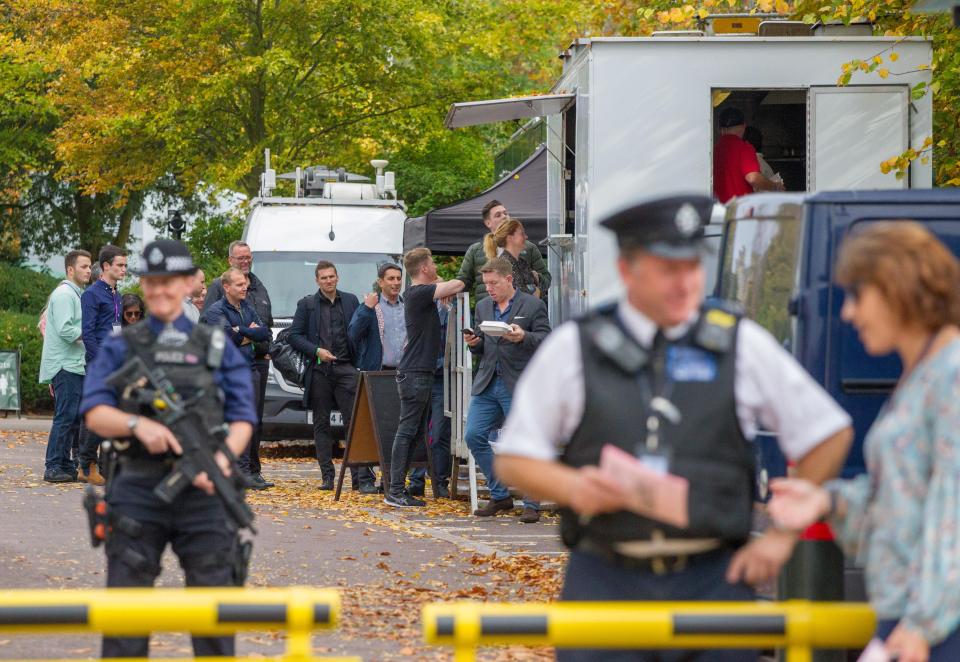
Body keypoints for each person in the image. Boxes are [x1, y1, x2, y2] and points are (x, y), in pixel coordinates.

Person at [493, 194, 854, 662]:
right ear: (628, 271)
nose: (686, 283)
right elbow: (515, 456)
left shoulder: (738, 342)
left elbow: (827, 430)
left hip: (714, 580)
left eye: (693, 267)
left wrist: (785, 532)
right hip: (607, 580)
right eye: (668, 269)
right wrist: (572, 485)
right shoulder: (575, 347)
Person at [768, 223, 960, 662]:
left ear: (897, 288)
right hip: (915, 623)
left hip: (932, 631)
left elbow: (953, 511)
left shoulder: (950, 375)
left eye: (857, 295)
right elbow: (902, 505)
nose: (849, 313)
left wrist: (922, 626)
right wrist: (827, 502)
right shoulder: (924, 373)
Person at [79, 239, 255, 659]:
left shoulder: (215, 346)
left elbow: (244, 418)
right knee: (126, 617)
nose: (160, 290)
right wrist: (137, 424)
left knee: (213, 616)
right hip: (139, 489)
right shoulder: (122, 345)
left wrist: (217, 461)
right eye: (152, 282)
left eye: (169, 281)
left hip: (205, 492)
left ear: (189, 283)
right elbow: (94, 412)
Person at [464, 257, 550, 523]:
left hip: (519, 383)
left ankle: (532, 503)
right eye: (486, 283)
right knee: (474, 435)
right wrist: (474, 343)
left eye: (493, 283)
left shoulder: (533, 305)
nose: (489, 289)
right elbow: (483, 349)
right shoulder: (483, 307)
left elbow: (547, 340)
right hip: (488, 381)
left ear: (508, 279)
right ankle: (500, 494)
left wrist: (523, 336)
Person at [385, 248, 465, 507]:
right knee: (407, 431)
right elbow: (459, 283)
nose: (435, 266)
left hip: (419, 371)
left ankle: (398, 489)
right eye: (431, 263)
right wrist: (445, 284)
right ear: (424, 268)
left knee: (415, 432)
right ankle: (395, 489)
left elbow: (444, 285)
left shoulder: (418, 293)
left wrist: (440, 284)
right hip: (415, 372)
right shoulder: (418, 293)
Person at [288, 260, 376, 493]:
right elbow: (293, 336)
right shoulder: (307, 304)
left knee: (355, 422)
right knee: (321, 423)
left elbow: (360, 331)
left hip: (346, 367)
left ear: (338, 277)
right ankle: (327, 477)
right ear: (317, 280)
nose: (328, 280)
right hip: (319, 370)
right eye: (324, 277)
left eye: (331, 276)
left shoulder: (350, 300)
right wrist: (317, 351)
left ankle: (360, 478)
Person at [204, 242, 273, 489]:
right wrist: (246, 334)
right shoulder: (216, 296)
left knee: (253, 420)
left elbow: (265, 330)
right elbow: (220, 334)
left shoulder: (254, 292)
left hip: (255, 365)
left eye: (248, 257)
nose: (246, 261)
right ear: (230, 259)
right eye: (240, 257)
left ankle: (250, 471)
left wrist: (243, 333)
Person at [39, 249, 92, 482]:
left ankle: (65, 465)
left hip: (74, 364)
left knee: (72, 419)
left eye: (90, 266)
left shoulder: (76, 294)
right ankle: (53, 466)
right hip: (65, 365)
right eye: (84, 266)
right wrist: (90, 334)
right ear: (70, 269)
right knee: (65, 417)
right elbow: (65, 330)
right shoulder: (64, 294)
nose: (89, 270)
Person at [79, 244, 128, 486]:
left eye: (125, 265)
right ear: (106, 266)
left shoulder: (116, 294)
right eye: (120, 265)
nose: (124, 270)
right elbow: (87, 333)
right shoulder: (91, 294)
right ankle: (86, 465)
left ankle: (94, 464)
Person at [456, 199, 550, 304]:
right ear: (488, 223)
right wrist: (446, 291)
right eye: (498, 215)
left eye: (505, 213)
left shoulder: (528, 247)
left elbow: (547, 279)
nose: (504, 216)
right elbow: (463, 280)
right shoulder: (475, 250)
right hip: (489, 312)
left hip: (522, 310)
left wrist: (537, 289)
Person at [713, 107, 783, 203]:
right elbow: (753, 178)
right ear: (743, 126)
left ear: (720, 129)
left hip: (718, 209)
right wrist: (775, 186)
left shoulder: (713, 151)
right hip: (740, 210)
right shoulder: (744, 148)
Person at [348, 263, 405, 372]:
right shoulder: (370, 306)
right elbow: (353, 335)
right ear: (380, 282)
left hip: (405, 374)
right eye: (391, 279)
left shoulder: (407, 307)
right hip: (377, 373)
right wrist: (367, 309)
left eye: (399, 278)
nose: (396, 282)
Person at [483, 218, 543, 299]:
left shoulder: (522, 262)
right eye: (521, 233)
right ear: (510, 238)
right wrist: (536, 290)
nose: (526, 237)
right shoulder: (505, 265)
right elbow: (522, 298)